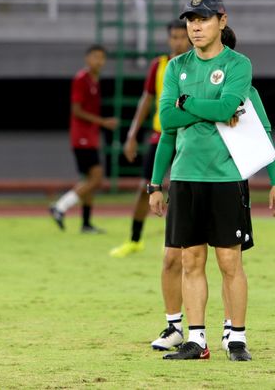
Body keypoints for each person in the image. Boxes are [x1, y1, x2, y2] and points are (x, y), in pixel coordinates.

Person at [147, 0, 275, 361]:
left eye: (203, 19)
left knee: (229, 261)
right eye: (190, 20)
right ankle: (197, 340)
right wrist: (155, 184)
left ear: (221, 21)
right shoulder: (176, 67)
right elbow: (168, 123)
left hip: (225, 177)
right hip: (186, 177)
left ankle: (236, 337)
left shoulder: (239, 65)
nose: (195, 27)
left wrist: (187, 104)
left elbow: (230, 108)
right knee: (190, 260)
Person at [109, 20, 190, 258]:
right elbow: (146, 100)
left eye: (181, 37)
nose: (178, 41)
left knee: (184, 190)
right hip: (161, 136)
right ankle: (134, 239)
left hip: (188, 136)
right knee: (147, 187)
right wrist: (132, 135)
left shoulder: (197, 65)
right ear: (168, 39)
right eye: (174, 37)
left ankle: (185, 240)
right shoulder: (159, 65)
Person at [49, 44, 118, 234]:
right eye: (95, 57)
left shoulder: (94, 81)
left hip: (90, 137)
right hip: (81, 137)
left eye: (102, 57)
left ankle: (86, 223)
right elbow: (77, 111)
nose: (99, 61)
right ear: (87, 59)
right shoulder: (82, 79)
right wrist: (103, 122)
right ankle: (60, 206)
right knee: (96, 179)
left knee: (90, 180)